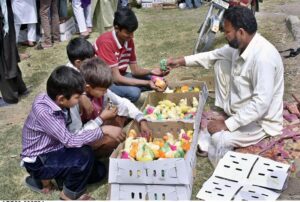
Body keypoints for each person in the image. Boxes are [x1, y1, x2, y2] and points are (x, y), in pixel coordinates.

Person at [167, 6, 284, 150]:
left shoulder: (263, 58)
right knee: (221, 61)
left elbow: (261, 104)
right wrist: (179, 61)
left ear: (240, 32)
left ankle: (233, 122)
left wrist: (227, 125)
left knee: (219, 139)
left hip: (262, 121)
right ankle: (229, 113)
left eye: (227, 32)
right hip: (245, 111)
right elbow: (211, 56)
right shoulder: (240, 46)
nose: (225, 35)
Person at [21, 66, 107, 200]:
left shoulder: (55, 100)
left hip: (54, 150)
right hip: (39, 160)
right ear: (61, 99)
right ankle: (68, 195)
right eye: (77, 97)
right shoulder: (46, 112)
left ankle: (57, 178)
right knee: (84, 155)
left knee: (99, 172)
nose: (79, 100)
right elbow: (70, 141)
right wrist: (101, 130)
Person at [67, 55, 152, 157]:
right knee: (112, 141)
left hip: (97, 124)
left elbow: (123, 103)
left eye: (106, 89)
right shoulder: (74, 103)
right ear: (87, 88)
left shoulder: (102, 91)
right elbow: (76, 136)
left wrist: (141, 119)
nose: (106, 92)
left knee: (122, 114)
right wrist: (101, 119)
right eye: (103, 90)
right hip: (81, 139)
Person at [95, 7, 168, 103]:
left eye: (133, 32)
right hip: (103, 82)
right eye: (128, 33)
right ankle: (114, 104)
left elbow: (135, 70)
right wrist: (147, 83)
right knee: (134, 92)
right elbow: (116, 79)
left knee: (159, 79)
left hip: (119, 76)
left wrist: (152, 71)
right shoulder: (106, 42)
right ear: (117, 28)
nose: (132, 36)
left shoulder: (128, 41)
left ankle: (122, 95)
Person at [0, 0, 29, 107]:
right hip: (6, 23)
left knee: (5, 62)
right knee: (10, 59)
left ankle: (10, 97)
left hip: (4, 28)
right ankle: (21, 88)